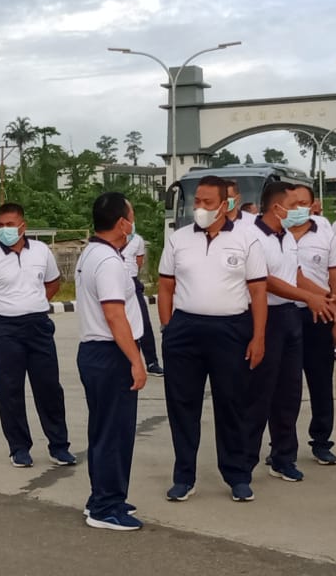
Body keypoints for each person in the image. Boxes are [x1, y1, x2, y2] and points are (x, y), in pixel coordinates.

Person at [158, 175, 267, 503]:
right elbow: (166, 287)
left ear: (225, 204)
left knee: (232, 404)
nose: (200, 208)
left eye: (207, 202)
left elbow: (259, 291)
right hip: (185, 331)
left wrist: (258, 337)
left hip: (232, 330)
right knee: (182, 406)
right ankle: (184, 476)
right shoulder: (178, 240)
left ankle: (237, 475)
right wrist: (168, 328)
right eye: (197, 201)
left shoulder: (248, 239)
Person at [243, 182, 336, 491]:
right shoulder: (252, 237)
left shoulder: (286, 237)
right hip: (264, 317)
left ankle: (284, 457)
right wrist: (306, 297)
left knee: (289, 392)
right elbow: (266, 280)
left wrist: (325, 297)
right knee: (260, 393)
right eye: (293, 204)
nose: (300, 210)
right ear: (277, 208)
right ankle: (242, 466)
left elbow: (294, 274)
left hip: (289, 319)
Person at [0, 203, 74, 468]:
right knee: (10, 389)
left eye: (10, 224)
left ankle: (59, 446)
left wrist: (35, 302)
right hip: (6, 330)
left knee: (49, 387)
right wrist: (3, 309)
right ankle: (19, 448)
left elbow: (53, 282)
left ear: (23, 226)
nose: (5, 230)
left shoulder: (41, 251)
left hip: (38, 326)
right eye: (0, 225)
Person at [77, 193, 148, 531]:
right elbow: (114, 313)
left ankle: (105, 496)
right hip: (110, 353)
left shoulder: (94, 253)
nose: (133, 222)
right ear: (122, 223)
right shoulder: (107, 261)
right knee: (114, 432)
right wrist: (136, 359)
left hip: (97, 352)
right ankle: (106, 507)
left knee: (104, 430)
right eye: (131, 215)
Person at [287, 184, 336, 465]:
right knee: (284, 384)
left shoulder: (326, 237)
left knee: (321, 382)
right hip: (285, 314)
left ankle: (321, 441)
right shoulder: (275, 235)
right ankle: (283, 444)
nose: (296, 207)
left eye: (302, 203)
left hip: (319, 316)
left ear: (312, 206)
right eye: (292, 202)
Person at [120, 224, 164, 376]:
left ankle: (151, 362)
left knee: (143, 322)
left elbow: (138, 261)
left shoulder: (137, 240)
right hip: (115, 281)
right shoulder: (111, 240)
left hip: (132, 282)